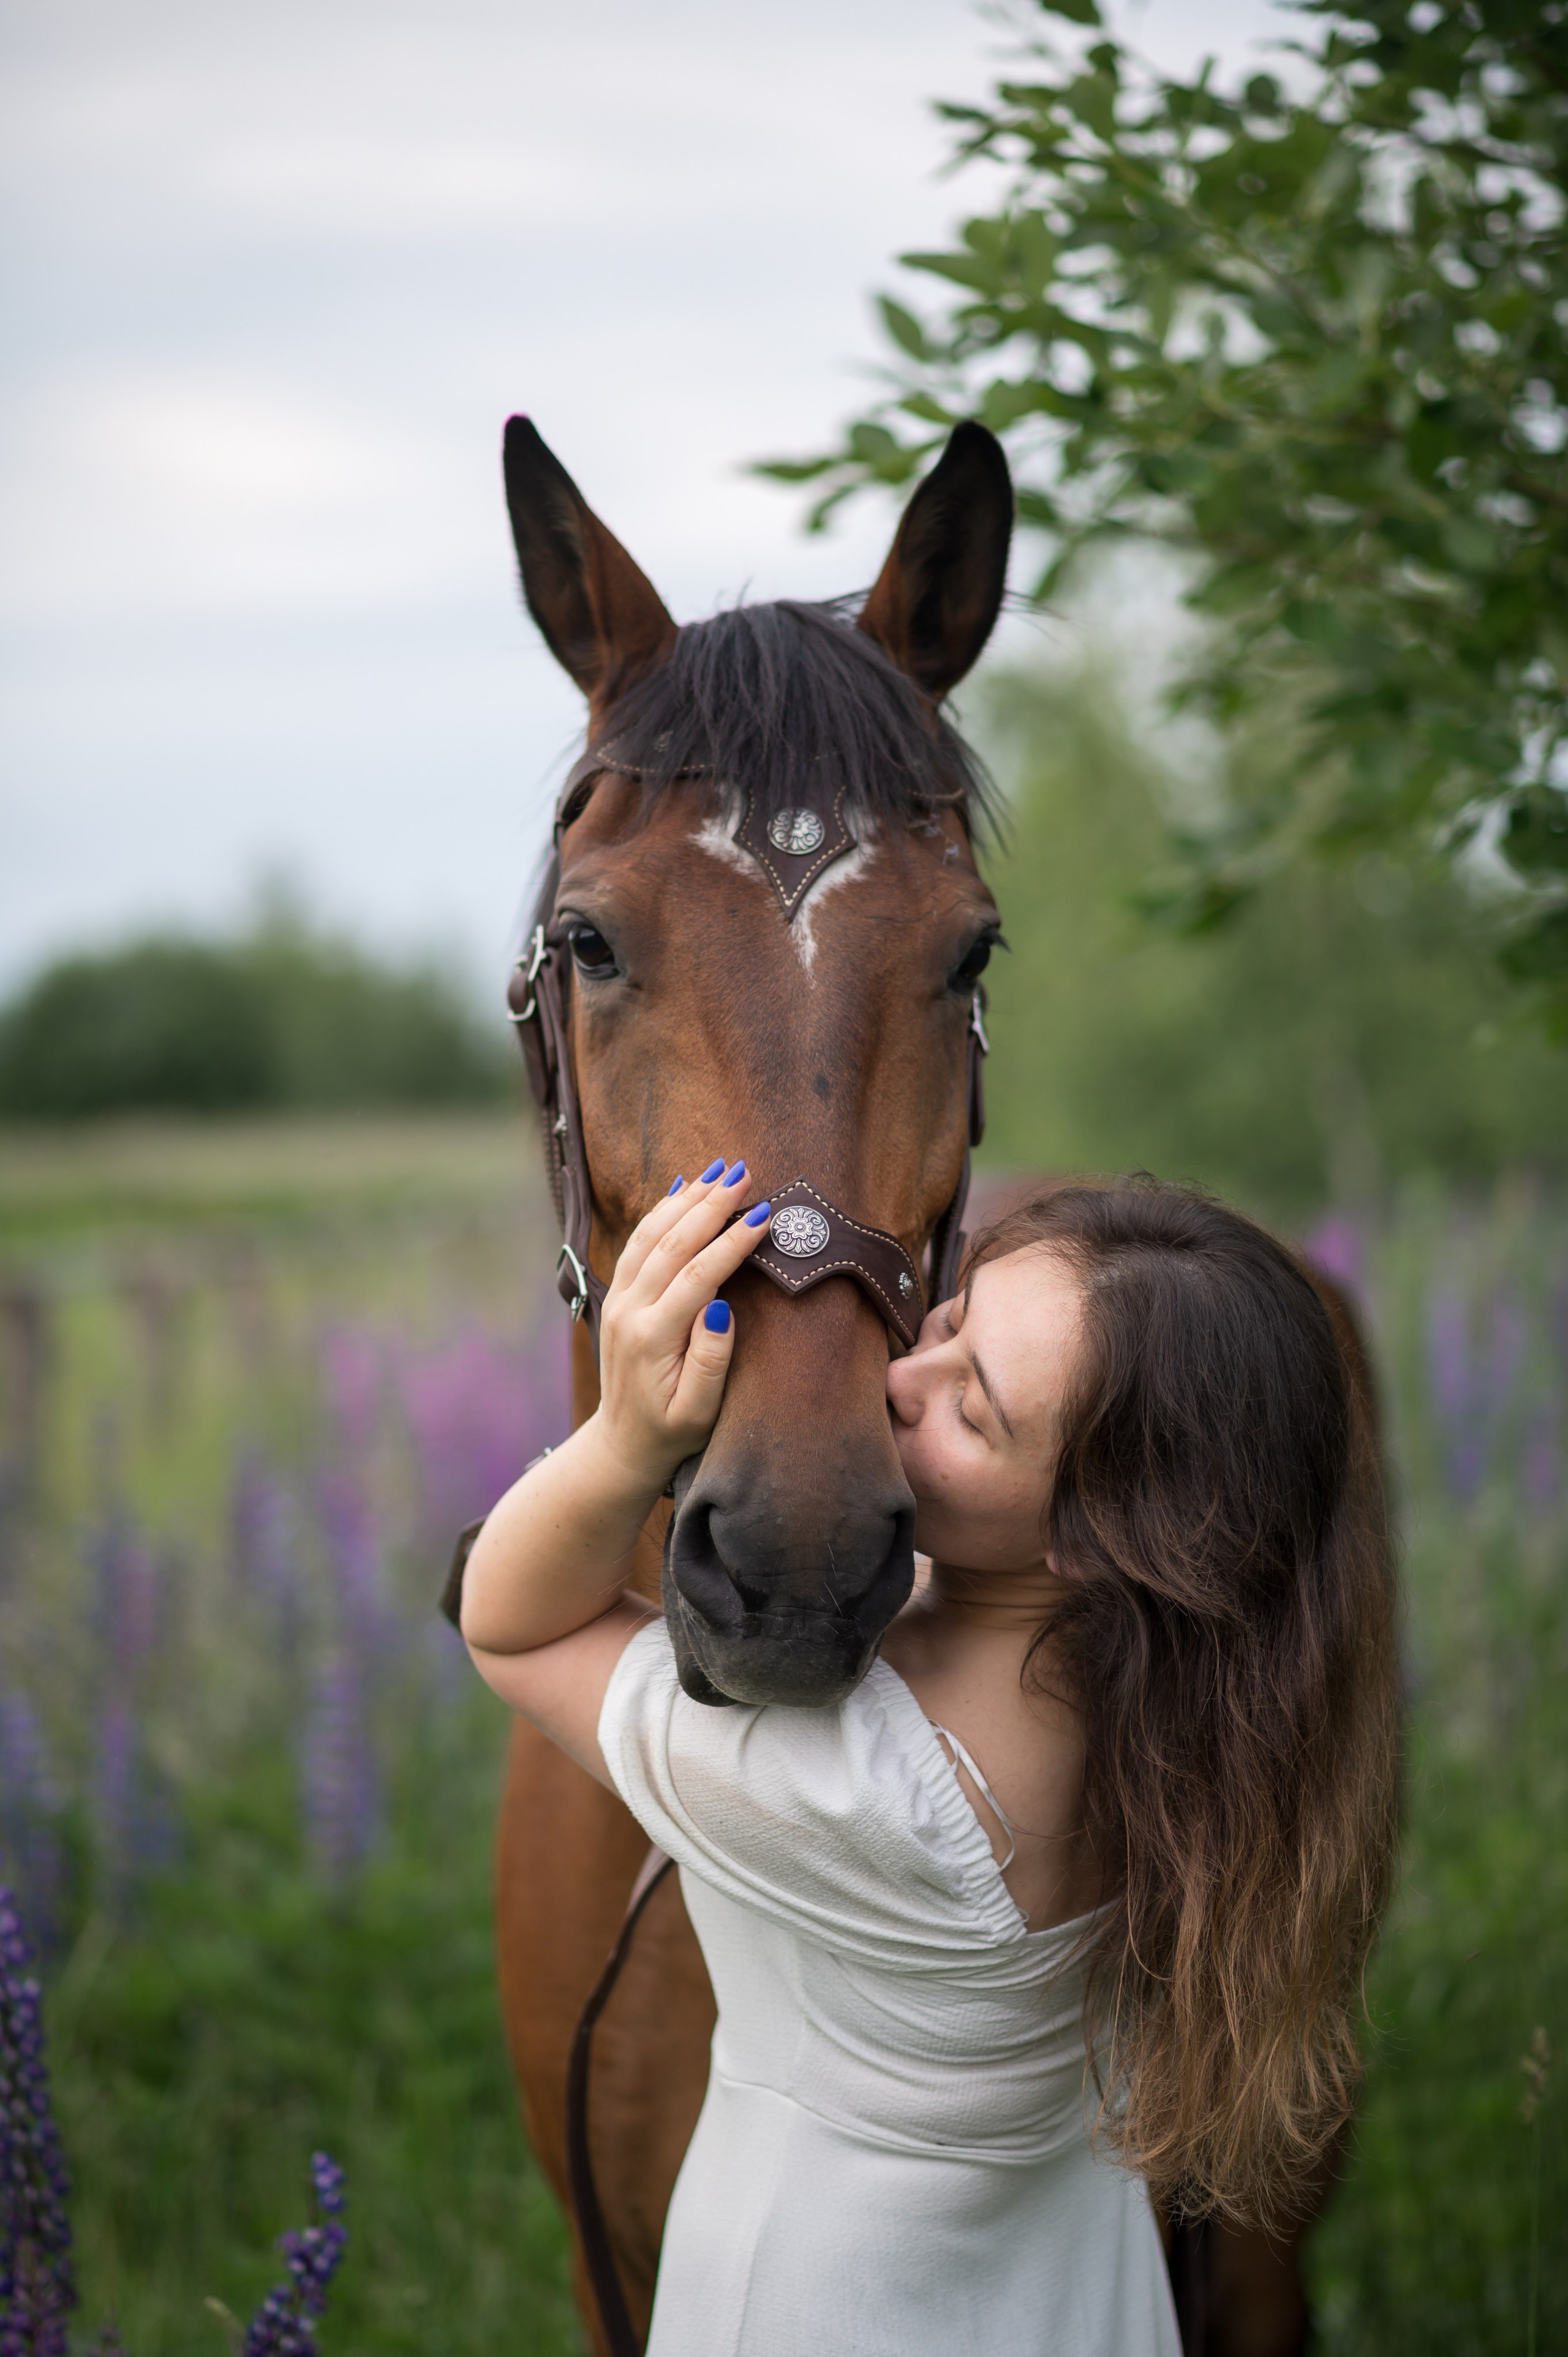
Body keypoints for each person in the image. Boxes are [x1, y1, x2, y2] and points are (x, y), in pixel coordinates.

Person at [461, 1164, 1399, 2357]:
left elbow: (514, 1623)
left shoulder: (862, 1794)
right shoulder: (1174, 1714)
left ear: (1094, 1539)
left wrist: (627, 1437)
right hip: (1069, 2296)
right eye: (949, 1322)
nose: (901, 1381)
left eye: (976, 1413)